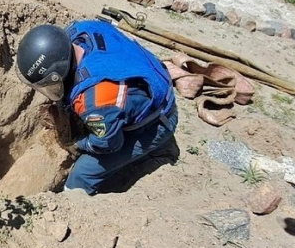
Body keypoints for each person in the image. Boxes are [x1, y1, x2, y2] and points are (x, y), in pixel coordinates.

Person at [15, 21, 178, 194]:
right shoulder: (81, 29)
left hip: (157, 122)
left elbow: (108, 144)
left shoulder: (96, 101)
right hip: (143, 75)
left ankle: (74, 207)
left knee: (81, 176)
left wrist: (79, 144)